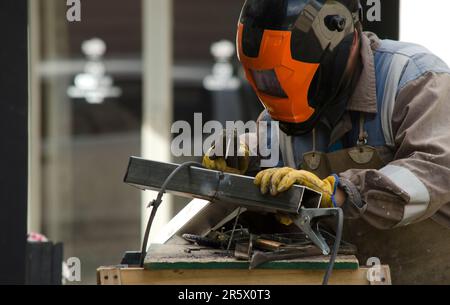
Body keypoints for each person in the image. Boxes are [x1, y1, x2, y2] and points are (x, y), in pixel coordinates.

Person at [203, 0, 450, 284]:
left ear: (337, 39)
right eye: (268, 82)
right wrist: (244, 157)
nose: (276, 93)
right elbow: (271, 148)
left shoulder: (415, 79)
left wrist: (341, 193)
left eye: (285, 79)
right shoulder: (281, 117)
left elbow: (436, 170)